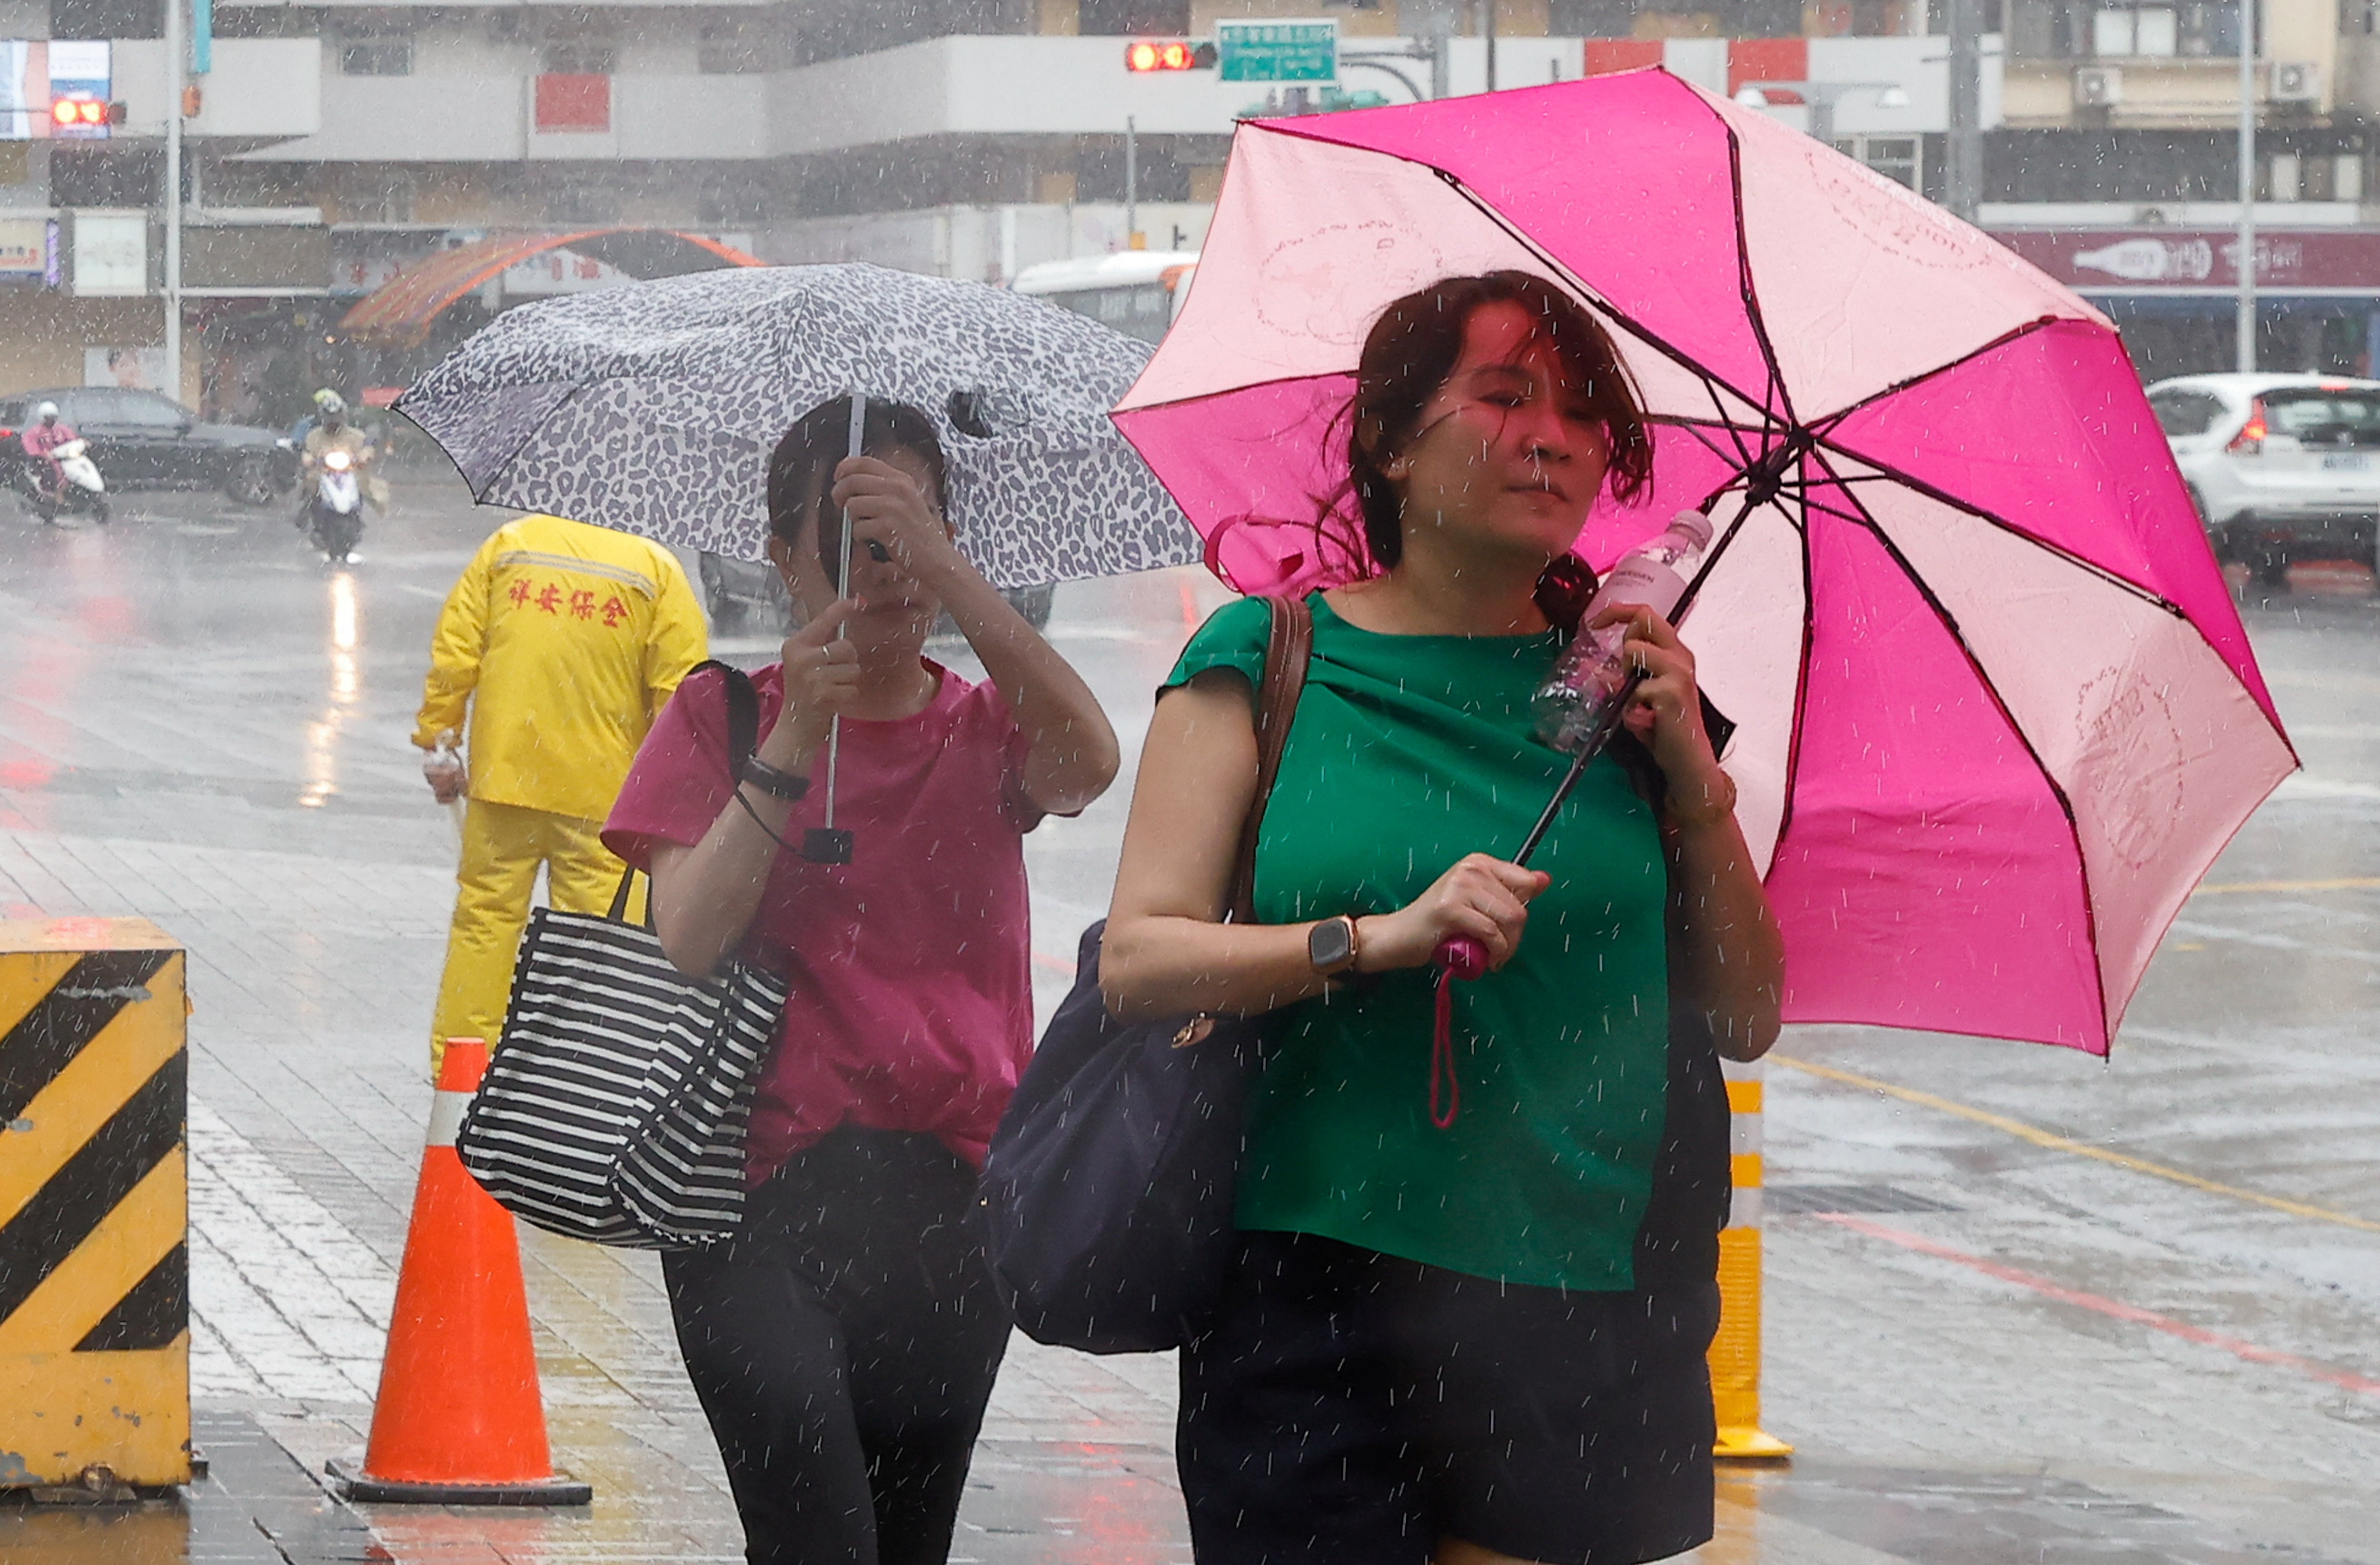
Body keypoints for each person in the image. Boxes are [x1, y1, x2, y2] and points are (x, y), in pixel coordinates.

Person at [1100, 272, 1787, 1565]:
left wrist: (1697, 781)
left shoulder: (1638, 694)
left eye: (1586, 412)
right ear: (1392, 440)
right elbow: (1141, 959)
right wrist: (1377, 937)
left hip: (1587, 1295)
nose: (1554, 436)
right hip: (1312, 1287)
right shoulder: (1269, 654)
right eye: (1505, 395)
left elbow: (1748, 1012)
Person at [602, 397, 1119, 1565]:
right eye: (852, 545)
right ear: (782, 555)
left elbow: (1089, 759)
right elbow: (685, 934)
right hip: (753, 1202)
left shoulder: (988, 729)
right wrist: (793, 742)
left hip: (950, 1205)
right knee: (816, 1543)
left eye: (915, 535)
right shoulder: (718, 716)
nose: (888, 575)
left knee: (906, 1543)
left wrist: (942, 562)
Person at [413, 513, 708, 1076]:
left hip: (506, 777)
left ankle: (463, 1072)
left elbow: (456, 652)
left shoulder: (510, 547)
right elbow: (680, 692)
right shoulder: (654, 571)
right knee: (598, 939)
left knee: (486, 921)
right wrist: (671, 788)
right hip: (604, 797)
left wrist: (440, 737)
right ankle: (581, 1072)